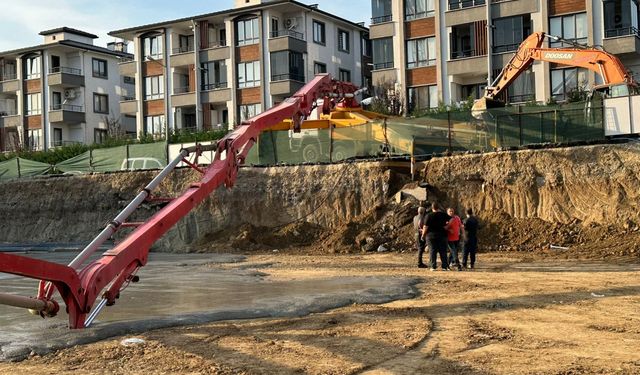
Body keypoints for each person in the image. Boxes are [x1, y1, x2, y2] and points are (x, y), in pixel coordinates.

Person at [422, 202, 451, 271]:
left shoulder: (428, 215)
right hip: (442, 235)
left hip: (431, 236)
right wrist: (447, 226)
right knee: (443, 251)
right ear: (439, 208)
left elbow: (425, 227)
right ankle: (445, 266)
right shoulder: (443, 215)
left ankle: (433, 266)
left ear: (432, 208)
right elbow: (451, 219)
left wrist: (423, 235)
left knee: (432, 250)